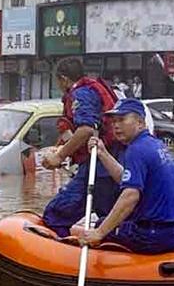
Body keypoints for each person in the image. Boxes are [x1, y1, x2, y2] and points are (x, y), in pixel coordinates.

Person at [82, 99, 174, 253]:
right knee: (105, 223)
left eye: (122, 119)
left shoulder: (137, 150)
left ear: (140, 122)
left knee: (100, 225)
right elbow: (126, 180)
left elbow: (130, 196)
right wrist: (103, 153)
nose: (116, 126)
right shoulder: (153, 143)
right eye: (113, 121)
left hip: (160, 234)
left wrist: (99, 233)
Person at [41, 57, 122, 237]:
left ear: (63, 79)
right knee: (106, 215)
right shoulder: (90, 90)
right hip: (107, 164)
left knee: (55, 215)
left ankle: (59, 259)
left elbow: (86, 129)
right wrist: (62, 148)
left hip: (98, 165)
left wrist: (60, 155)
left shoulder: (81, 94)